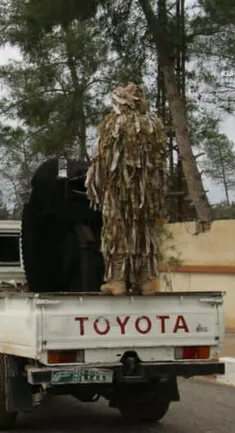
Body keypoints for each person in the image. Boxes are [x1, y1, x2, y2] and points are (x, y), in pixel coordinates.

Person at [85, 82, 166, 296]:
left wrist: (98, 186)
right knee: (143, 234)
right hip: (145, 194)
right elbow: (160, 163)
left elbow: (103, 160)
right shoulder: (153, 125)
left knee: (117, 234)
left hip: (118, 192)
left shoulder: (114, 124)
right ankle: (145, 281)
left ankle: (117, 282)